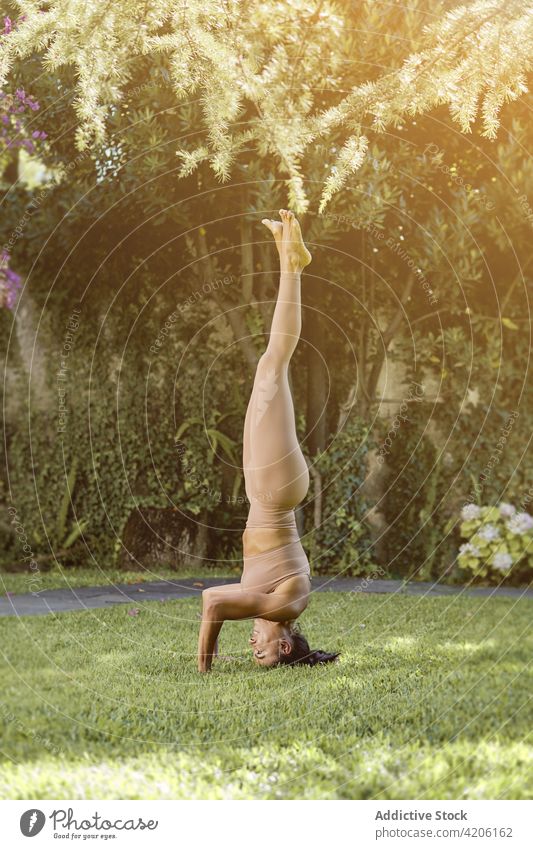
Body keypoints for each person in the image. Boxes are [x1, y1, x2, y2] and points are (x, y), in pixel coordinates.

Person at [197, 210, 339, 672]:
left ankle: (291, 261)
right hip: (277, 495)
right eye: (262, 652)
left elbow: (220, 603)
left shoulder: (271, 607)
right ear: (284, 645)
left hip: (267, 492)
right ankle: (291, 263)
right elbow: (213, 601)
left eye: (250, 652)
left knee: (268, 369)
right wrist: (204, 668)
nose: (253, 646)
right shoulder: (287, 608)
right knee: (272, 366)